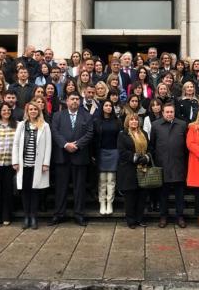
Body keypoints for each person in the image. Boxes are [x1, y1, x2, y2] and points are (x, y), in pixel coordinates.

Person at [50, 92, 94, 226]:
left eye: (77, 99)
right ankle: (59, 214)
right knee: (61, 187)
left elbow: (90, 133)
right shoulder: (58, 115)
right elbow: (54, 132)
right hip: (62, 156)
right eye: (72, 99)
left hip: (79, 155)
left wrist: (77, 145)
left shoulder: (86, 116)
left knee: (79, 188)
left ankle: (79, 214)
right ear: (67, 101)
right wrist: (65, 144)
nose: (75, 101)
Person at [12, 102, 51, 230]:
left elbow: (48, 146)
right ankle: (26, 216)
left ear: (39, 111)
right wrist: (15, 161)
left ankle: (34, 217)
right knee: (24, 190)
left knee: (35, 191)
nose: (33, 111)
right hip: (24, 164)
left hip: (38, 165)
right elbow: (16, 144)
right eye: (31, 109)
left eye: (35, 109)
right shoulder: (22, 125)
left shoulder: (44, 126)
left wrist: (46, 163)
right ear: (27, 112)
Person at [149, 101, 188, 228]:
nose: (169, 114)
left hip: (179, 164)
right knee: (163, 194)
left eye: (171, 112)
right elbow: (152, 145)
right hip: (162, 165)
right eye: (167, 112)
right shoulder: (155, 125)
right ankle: (163, 216)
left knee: (179, 194)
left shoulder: (182, 125)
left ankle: (180, 216)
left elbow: (186, 146)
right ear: (162, 113)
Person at [117, 113, 150, 228]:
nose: (134, 121)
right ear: (127, 122)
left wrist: (146, 157)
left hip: (143, 169)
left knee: (142, 196)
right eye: (131, 120)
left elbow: (149, 148)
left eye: (136, 120)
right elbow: (122, 152)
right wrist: (135, 157)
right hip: (128, 170)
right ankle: (131, 220)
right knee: (130, 197)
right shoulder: (123, 135)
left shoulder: (144, 133)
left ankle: (140, 218)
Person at [94, 100, 120, 215]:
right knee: (102, 179)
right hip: (101, 152)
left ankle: (110, 202)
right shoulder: (97, 121)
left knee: (111, 179)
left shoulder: (117, 121)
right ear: (102, 107)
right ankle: (102, 202)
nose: (108, 107)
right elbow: (94, 138)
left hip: (114, 152)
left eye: (110, 106)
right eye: (106, 105)